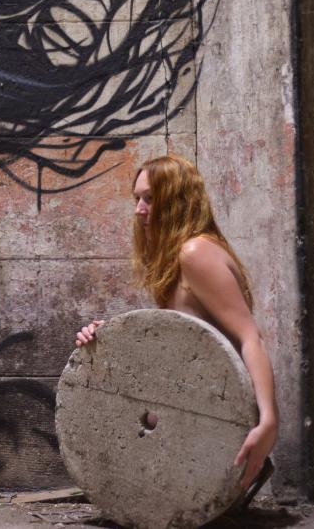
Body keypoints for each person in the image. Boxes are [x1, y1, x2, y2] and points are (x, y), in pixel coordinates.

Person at [75, 155, 278, 493]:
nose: (139, 210)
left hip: (219, 418)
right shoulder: (178, 257)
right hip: (195, 410)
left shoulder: (196, 252)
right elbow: (180, 341)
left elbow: (250, 337)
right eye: (137, 198)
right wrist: (108, 337)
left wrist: (268, 421)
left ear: (177, 201)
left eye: (150, 198)